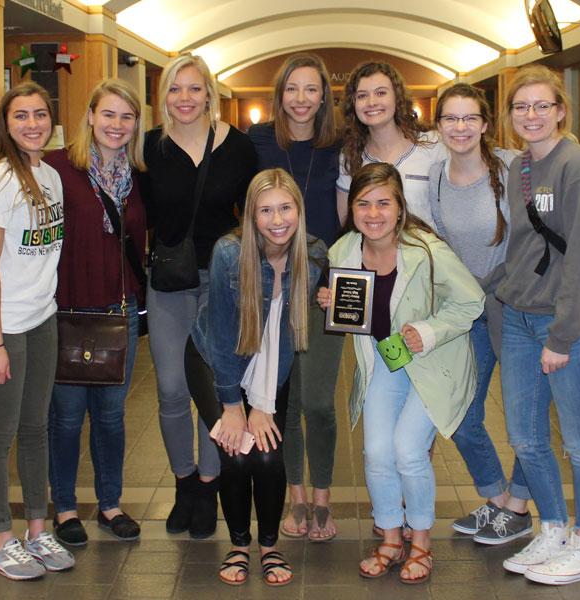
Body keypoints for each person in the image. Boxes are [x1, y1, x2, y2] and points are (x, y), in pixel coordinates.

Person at [319, 162, 484, 584]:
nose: (373, 213)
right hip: (384, 359)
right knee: (376, 451)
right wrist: (331, 300)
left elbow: (471, 302)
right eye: (363, 203)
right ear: (351, 207)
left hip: (434, 363)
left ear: (399, 207)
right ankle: (391, 538)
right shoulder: (343, 252)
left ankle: (421, 543)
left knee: (408, 449)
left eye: (383, 203)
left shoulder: (427, 249)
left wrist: (428, 331)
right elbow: (357, 312)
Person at [496, 65, 580, 585]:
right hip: (522, 320)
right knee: (525, 437)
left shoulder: (578, 168)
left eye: (542, 105)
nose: (531, 115)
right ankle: (553, 529)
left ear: (562, 110)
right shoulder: (522, 165)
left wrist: (562, 336)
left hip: (571, 325)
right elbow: (523, 250)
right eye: (522, 107)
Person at [185, 168, 328, 586]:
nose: (277, 219)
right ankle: (238, 544)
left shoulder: (313, 254)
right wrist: (233, 407)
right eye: (265, 210)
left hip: (270, 361)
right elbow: (223, 338)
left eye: (286, 208)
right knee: (237, 450)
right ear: (250, 214)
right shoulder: (230, 253)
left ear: (299, 211)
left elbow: (287, 335)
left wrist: (264, 406)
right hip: (213, 358)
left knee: (268, 455)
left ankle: (269, 546)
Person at [140, 52, 257, 539]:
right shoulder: (148, 148)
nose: (184, 98)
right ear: (163, 97)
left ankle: (209, 486)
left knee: (212, 394)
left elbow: (257, 214)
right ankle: (184, 483)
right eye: (174, 89)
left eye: (193, 88)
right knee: (170, 390)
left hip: (221, 283)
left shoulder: (238, 148)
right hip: (168, 283)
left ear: (210, 92)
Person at [0, 81, 74, 580]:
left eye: (40, 115)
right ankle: (0, 538)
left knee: (36, 429)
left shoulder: (50, 176)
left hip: (40, 319)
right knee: (0, 434)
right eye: (21, 116)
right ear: (5, 125)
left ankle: (36, 529)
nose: (33, 124)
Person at [43, 79, 146, 545]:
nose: (117, 125)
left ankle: (109, 504)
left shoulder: (138, 175)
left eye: (127, 117)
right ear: (90, 116)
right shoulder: (57, 168)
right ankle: (65, 508)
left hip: (118, 311)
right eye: (109, 114)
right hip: (67, 312)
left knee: (110, 416)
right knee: (65, 417)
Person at [428, 83, 533, 545]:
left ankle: (521, 505)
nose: (461, 127)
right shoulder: (435, 175)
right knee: (462, 413)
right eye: (451, 118)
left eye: (470, 118)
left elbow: (536, 236)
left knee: (525, 417)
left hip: (517, 307)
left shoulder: (513, 168)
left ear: (486, 123)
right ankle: (495, 498)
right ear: (439, 125)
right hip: (468, 311)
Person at [247, 52, 342, 541]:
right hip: (272, 287)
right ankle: (297, 498)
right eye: (292, 89)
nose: (301, 99)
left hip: (324, 290)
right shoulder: (257, 141)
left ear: (324, 95)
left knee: (321, 403)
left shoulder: (339, 146)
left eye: (311, 89)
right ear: (279, 94)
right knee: (286, 401)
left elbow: (354, 215)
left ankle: (324, 499)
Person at [336, 61, 446, 228]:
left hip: (426, 251)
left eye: (381, 93)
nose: (371, 102)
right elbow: (347, 221)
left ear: (397, 97)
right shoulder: (350, 155)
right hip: (372, 252)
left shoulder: (433, 145)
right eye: (362, 95)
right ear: (353, 104)